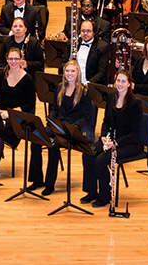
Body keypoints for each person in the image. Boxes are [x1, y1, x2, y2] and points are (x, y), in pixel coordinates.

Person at [83, 69, 143, 208]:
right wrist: (103, 136)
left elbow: (135, 134)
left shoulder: (135, 103)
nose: (120, 84)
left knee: (100, 160)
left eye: (123, 81)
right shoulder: (111, 97)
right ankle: (91, 191)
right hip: (111, 140)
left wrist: (115, 143)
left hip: (129, 144)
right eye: (118, 81)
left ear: (129, 84)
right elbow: (106, 121)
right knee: (88, 153)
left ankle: (105, 195)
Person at [0, 47, 38, 183]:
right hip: (1, 113)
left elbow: (30, 105)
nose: (13, 61)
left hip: (18, 117)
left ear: (21, 59)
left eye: (16, 59)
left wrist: (10, 113)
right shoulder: (2, 76)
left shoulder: (28, 79)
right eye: (10, 59)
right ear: (7, 60)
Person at [43, 60, 94, 196]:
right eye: (67, 71)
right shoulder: (60, 87)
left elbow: (85, 117)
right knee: (37, 137)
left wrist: (72, 127)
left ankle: (49, 184)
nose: (69, 74)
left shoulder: (84, 92)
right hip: (58, 124)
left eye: (73, 71)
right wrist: (50, 121)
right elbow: (55, 108)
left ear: (78, 73)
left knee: (54, 146)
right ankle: (36, 179)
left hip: (73, 128)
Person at [61, 20, 111, 86]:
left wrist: (88, 84)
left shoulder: (102, 47)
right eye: (83, 31)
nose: (85, 33)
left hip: (91, 85)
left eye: (88, 31)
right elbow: (63, 63)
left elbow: (102, 72)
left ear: (94, 32)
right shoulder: (72, 43)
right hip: (72, 83)